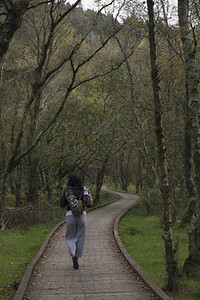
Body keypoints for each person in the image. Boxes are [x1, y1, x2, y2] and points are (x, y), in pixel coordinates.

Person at [60, 173, 93, 270]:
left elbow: (62, 204)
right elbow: (89, 203)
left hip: (70, 214)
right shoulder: (84, 189)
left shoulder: (67, 190)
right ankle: (77, 255)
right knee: (80, 236)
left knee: (69, 237)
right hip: (82, 215)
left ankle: (73, 254)